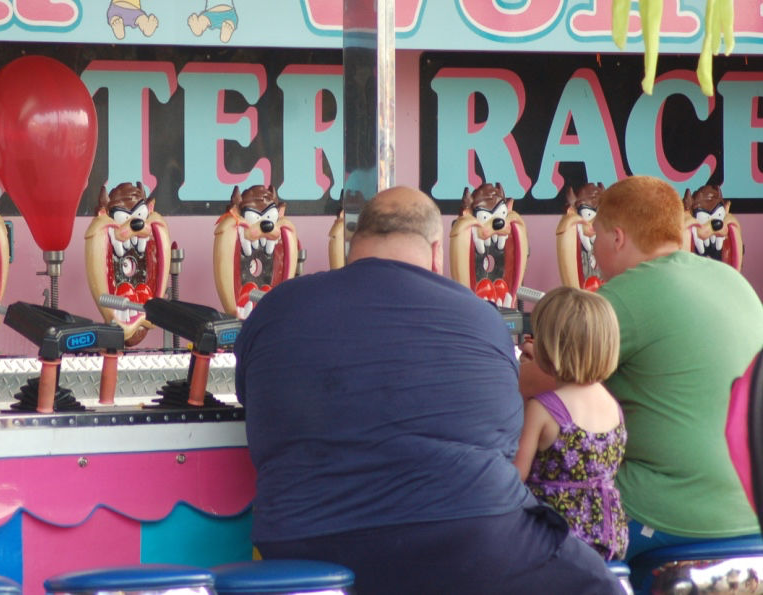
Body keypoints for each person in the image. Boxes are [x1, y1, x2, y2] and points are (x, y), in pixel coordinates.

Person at [234, 186, 621, 594]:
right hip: (468, 538)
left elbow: (253, 398)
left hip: (303, 542)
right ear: (437, 250)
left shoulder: (276, 308)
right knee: (599, 582)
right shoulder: (480, 316)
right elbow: (504, 439)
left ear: (353, 243)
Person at [588, 175, 763, 558]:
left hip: (669, 516)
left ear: (617, 238)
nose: (594, 249)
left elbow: (543, 384)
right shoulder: (734, 281)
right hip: (753, 509)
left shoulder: (622, 296)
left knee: (539, 518)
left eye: (595, 236)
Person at [514, 286, 628, 561]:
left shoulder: (544, 408)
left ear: (551, 347)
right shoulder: (612, 404)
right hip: (607, 536)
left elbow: (515, 475)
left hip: (555, 536)